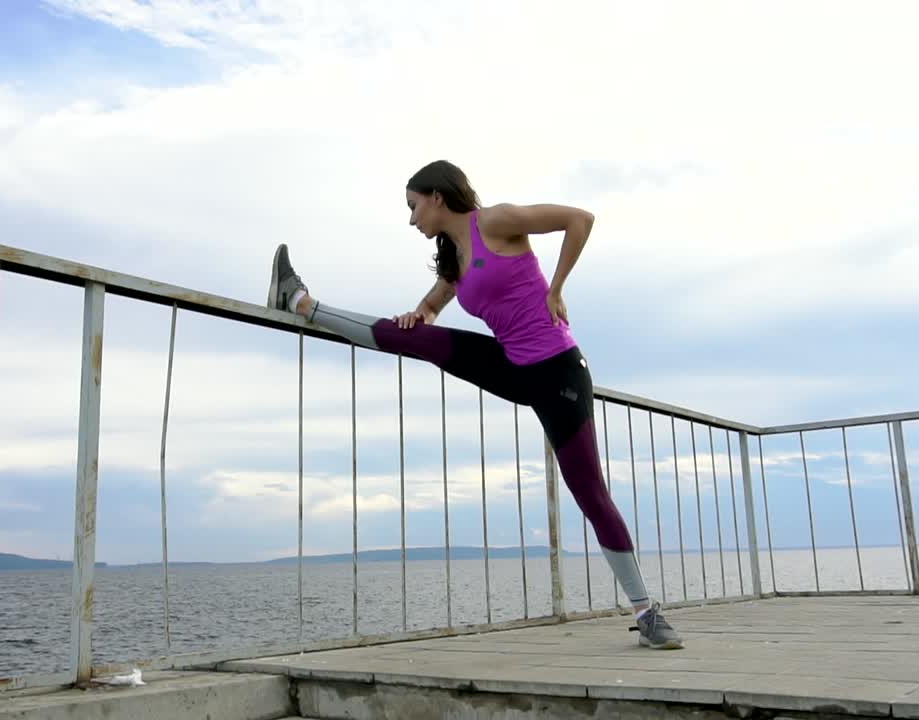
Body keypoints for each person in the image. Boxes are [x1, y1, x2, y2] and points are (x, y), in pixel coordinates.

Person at [266, 159, 682, 650]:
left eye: (413, 206)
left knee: (590, 493)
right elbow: (432, 306)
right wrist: (416, 316)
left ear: (437, 197)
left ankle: (647, 613)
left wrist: (556, 288)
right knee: (415, 340)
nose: (411, 218)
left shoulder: (495, 222)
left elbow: (580, 219)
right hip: (510, 365)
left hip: (559, 372)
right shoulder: (454, 261)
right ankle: (300, 302)